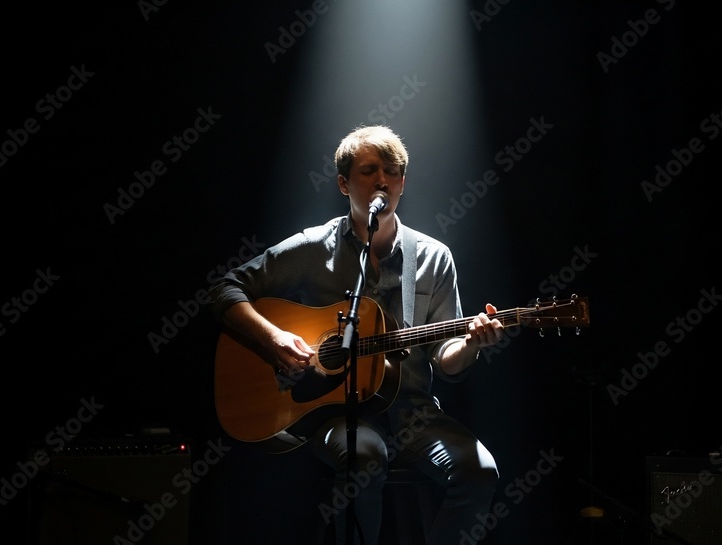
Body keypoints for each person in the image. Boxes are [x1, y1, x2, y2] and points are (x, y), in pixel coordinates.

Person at [207, 125, 504, 544]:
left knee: (480, 471)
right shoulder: (314, 248)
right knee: (364, 457)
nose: (383, 179)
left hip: (413, 412)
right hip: (335, 413)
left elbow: (447, 359)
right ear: (344, 183)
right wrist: (273, 338)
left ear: (403, 182)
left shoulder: (435, 258)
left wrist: (471, 343)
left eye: (393, 171)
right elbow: (224, 289)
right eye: (369, 170)